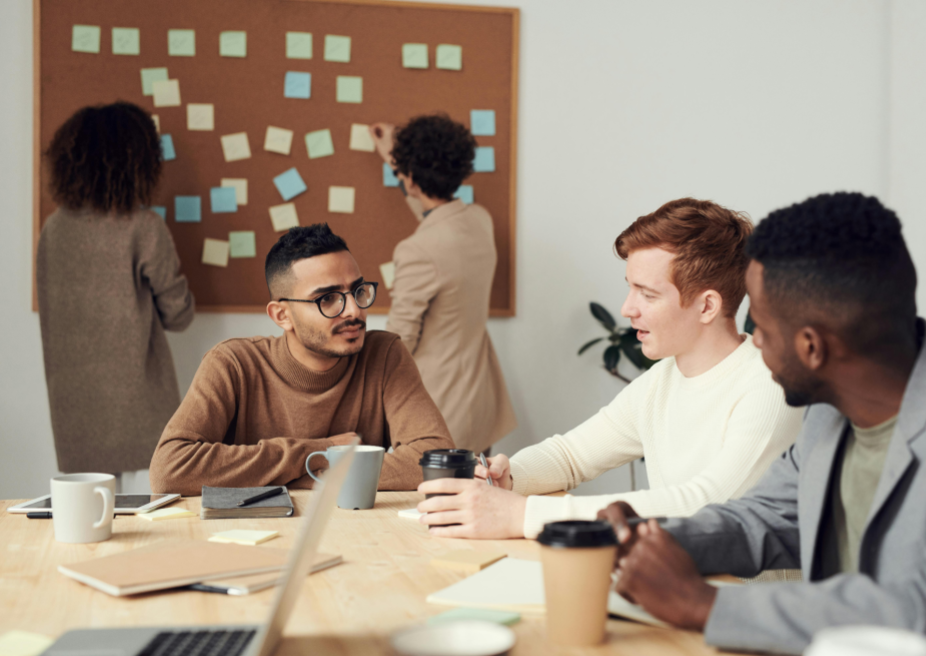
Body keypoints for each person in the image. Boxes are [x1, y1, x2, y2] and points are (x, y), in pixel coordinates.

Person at [602, 192, 926, 656]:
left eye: (761, 327)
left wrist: (703, 604)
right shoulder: (831, 409)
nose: (754, 342)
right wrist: (651, 539)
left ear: (811, 348)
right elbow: (767, 517)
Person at [416, 198, 803, 539]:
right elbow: (571, 456)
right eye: (630, 288)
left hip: (737, 595)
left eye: (647, 294)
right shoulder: (661, 380)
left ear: (707, 306)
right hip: (671, 583)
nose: (627, 308)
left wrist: (523, 515)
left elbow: (706, 506)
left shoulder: (769, 386)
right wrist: (511, 475)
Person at [148, 224, 455, 496]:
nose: (354, 310)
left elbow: (438, 459)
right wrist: (322, 450)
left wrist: (304, 476)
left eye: (357, 291)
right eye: (328, 299)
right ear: (282, 315)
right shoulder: (232, 364)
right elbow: (170, 470)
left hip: (356, 529)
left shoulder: (385, 355)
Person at [37, 102, 194, 485]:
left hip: (74, 396)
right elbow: (179, 315)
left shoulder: (54, 228)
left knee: (93, 502)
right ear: (137, 162)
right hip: (138, 396)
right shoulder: (143, 226)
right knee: (158, 499)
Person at [369, 115, 516, 454]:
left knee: (431, 491)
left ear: (411, 179)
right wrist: (397, 160)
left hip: (439, 407)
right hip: (479, 402)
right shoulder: (479, 220)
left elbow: (400, 339)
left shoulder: (417, 250)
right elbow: (435, 217)